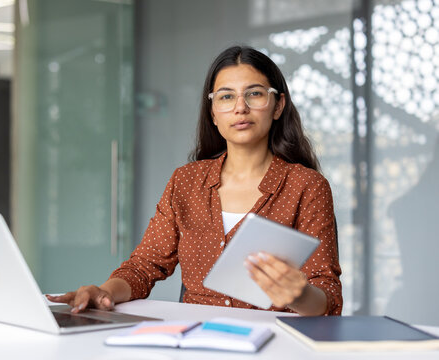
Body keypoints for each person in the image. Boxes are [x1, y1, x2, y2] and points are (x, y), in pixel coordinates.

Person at [47, 45, 342, 316]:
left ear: (277, 105)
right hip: (196, 338)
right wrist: (104, 292)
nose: (240, 107)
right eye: (226, 96)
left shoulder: (307, 186)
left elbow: (328, 295)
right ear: (213, 112)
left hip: (273, 341)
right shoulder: (186, 181)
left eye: (254, 94)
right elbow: (143, 267)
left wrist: (300, 295)